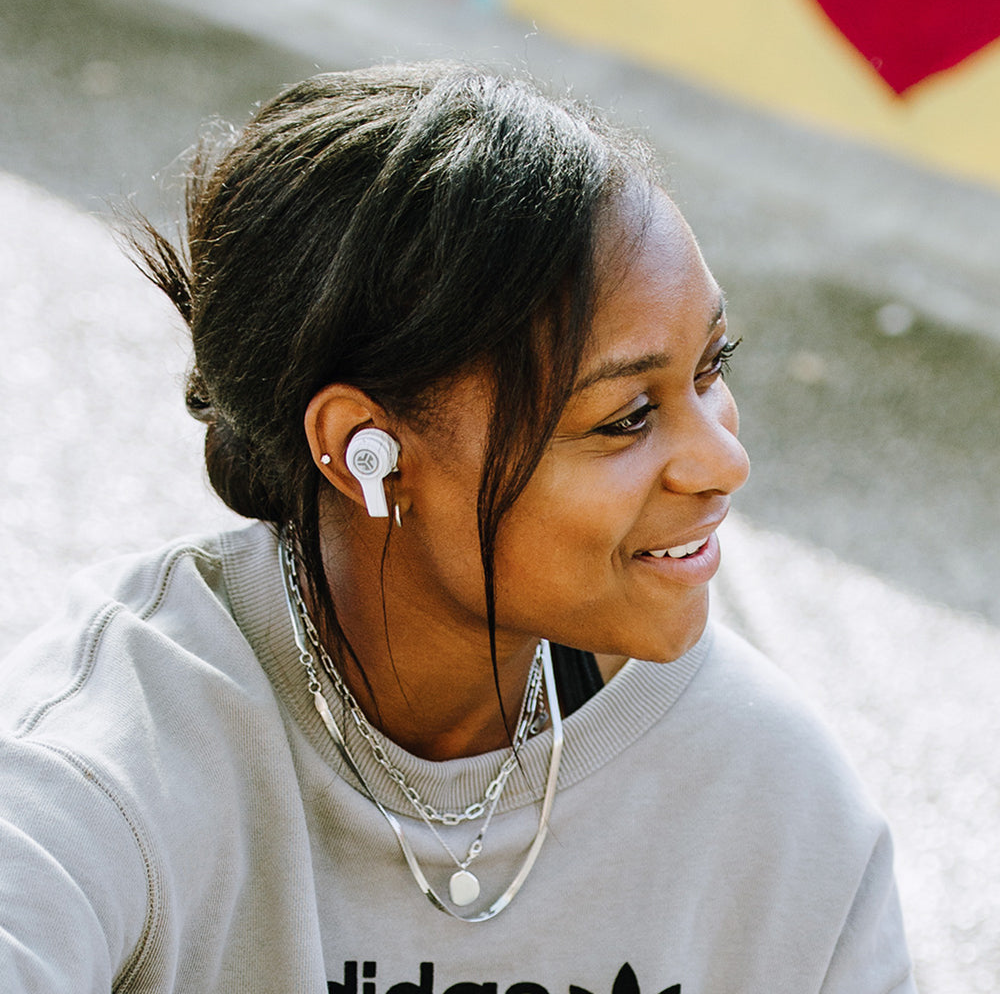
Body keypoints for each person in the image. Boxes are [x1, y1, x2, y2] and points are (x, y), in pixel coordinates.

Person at [0, 62, 915, 993]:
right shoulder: (98, 772)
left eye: (711, 369)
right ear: (367, 450)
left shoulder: (767, 793)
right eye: (624, 418)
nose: (723, 462)